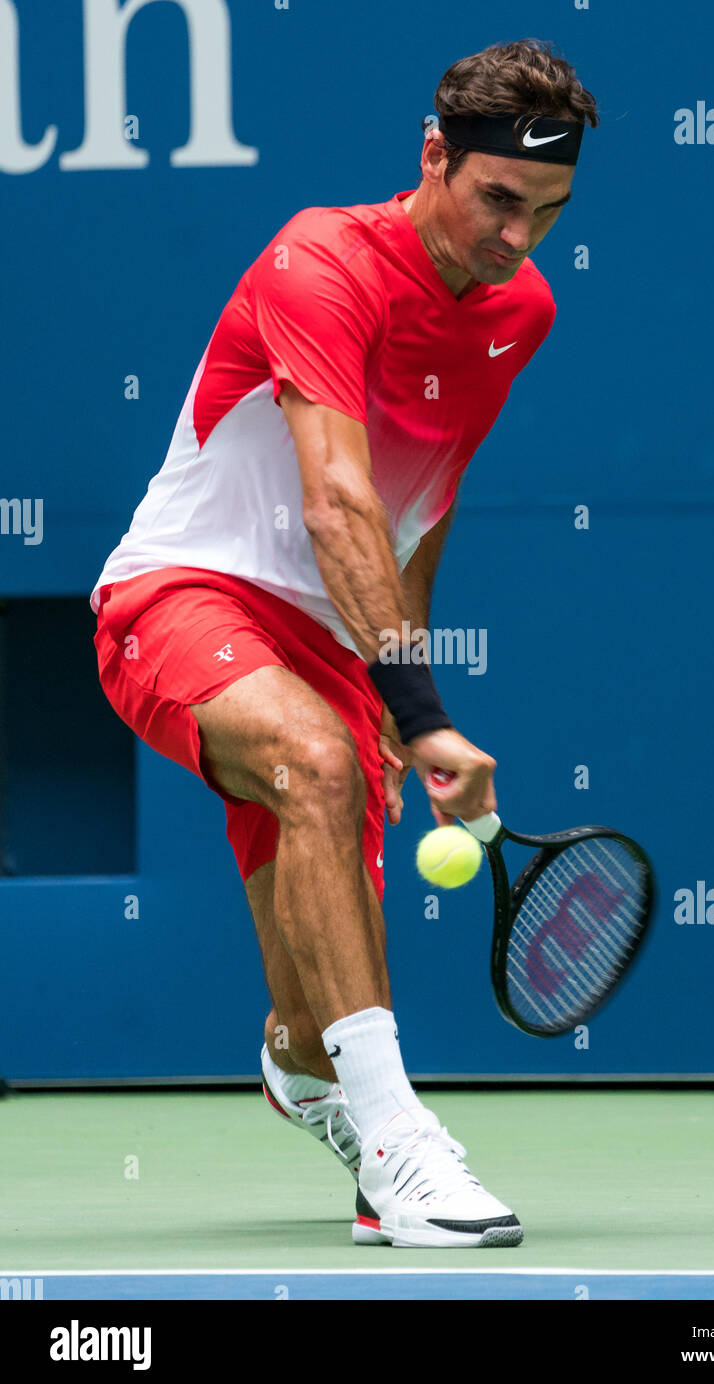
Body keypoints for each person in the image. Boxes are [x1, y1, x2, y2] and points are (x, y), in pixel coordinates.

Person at [91, 38, 599, 1248]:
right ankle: (400, 1147)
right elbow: (338, 501)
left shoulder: (517, 310)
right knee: (314, 763)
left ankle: (301, 1064)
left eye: (548, 211)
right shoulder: (320, 260)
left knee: (314, 1015)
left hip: (329, 641)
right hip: (182, 596)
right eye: (496, 199)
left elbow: (421, 502)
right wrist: (420, 706)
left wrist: (386, 686)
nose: (518, 237)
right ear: (432, 157)